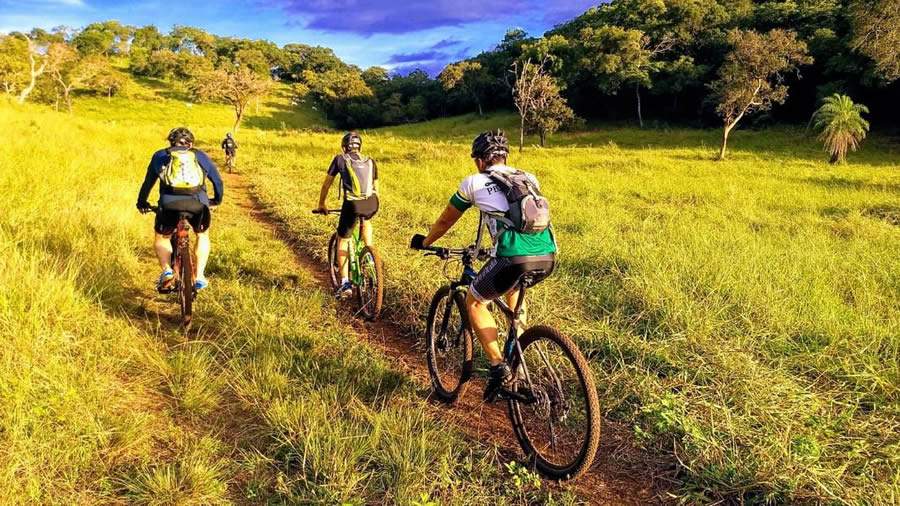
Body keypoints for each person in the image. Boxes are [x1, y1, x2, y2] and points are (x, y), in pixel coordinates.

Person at [410, 130, 557, 401]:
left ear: (479, 160)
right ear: (505, 156)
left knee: (475, 302)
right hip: (547, 255)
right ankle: (518, 364)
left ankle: (498, 367)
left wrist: (426, 241)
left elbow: (445, 221)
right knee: (514, 297)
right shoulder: (528, 177)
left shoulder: (474, 182)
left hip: (512, 257)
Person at [136, 127, 224, 292]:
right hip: (198, 204)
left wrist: (142, 202)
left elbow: (148, 183)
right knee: (202, 235)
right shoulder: (200, 155)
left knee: (162, 237)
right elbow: (218, 181)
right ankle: (199, 277)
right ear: (191, 144)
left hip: (169, 205)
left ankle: (167, 271)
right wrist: (216, 200)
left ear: (171, 142)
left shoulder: (160, 156)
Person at [314, 132, 380, 299]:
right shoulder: (370, 161)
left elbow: (326, 185)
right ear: (360, 147)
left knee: (343, 238)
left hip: (352, 204)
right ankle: (369, 254)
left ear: (344, 147)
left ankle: (345, 284)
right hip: (372, 202)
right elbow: (376, 189)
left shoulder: (340, 159)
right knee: (366, 220)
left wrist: (322, 204)